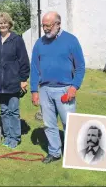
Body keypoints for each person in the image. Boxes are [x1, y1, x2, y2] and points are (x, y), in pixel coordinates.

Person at [30, 11, 85, 163]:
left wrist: (74, 87)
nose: (45, 29)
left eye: (48, 25)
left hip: (65, 89)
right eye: (43, 26)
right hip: (45, 90)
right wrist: (34, 90)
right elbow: (34, 68)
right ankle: (54, 152)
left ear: (58, 24)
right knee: (49, 124)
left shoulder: (71, 40)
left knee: (69, 123)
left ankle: (73, 152)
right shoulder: (39, 43)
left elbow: (80, 67)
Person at [0, 12, 30, 149]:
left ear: (9, 24)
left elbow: (24, 61)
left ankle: (15, 137)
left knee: (13, 111)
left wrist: (23, 79)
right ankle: (8, 135)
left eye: (5, 22)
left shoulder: (17, 40)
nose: (3, 25)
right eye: (0, 23)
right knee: (4, 111)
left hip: (13, 81)